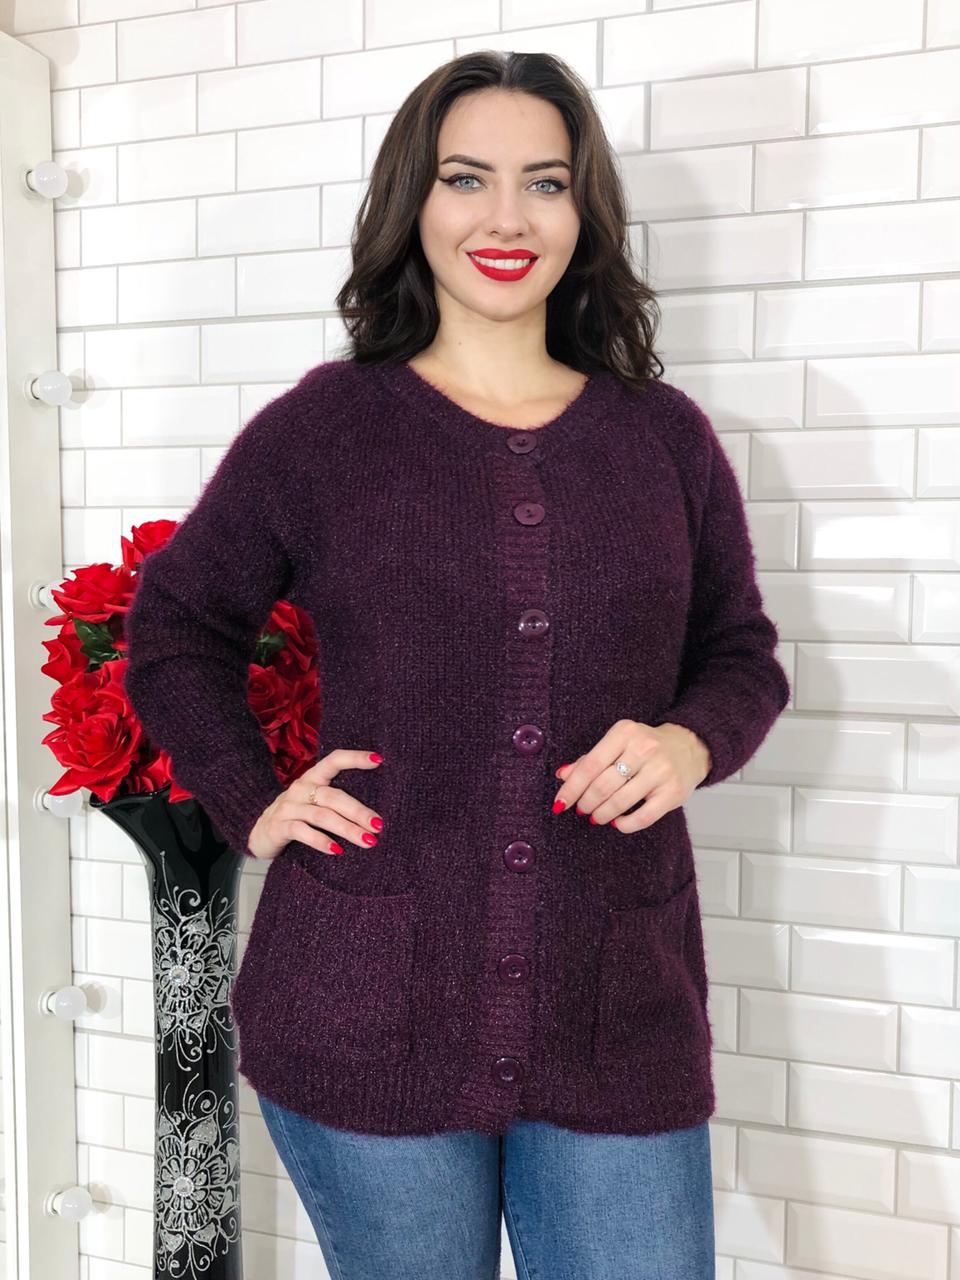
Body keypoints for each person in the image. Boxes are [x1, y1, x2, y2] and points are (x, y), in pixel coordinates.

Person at [124, 49, 791, 1280]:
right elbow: (175, 625)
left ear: (583, 210)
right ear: (413, 204)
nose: (506, 218)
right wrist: (253, 798)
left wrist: (690, 739)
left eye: (545, 182)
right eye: (466, 178)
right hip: (364, 1004)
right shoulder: (328, 427)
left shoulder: (662, 436)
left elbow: (741, 649)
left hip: (615, 1005)